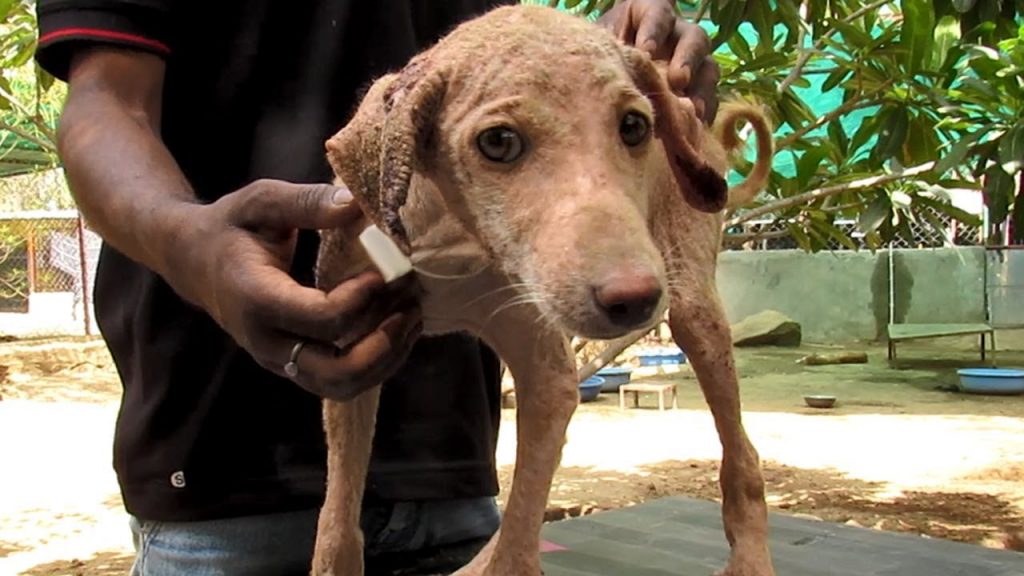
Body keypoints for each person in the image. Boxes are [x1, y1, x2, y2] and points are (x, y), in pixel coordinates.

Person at [34, 1, 720, 574]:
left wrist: (605, 55)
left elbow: (503, 69)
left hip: (456, 474)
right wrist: (186, 245)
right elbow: (105, 103)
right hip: (224, 473)